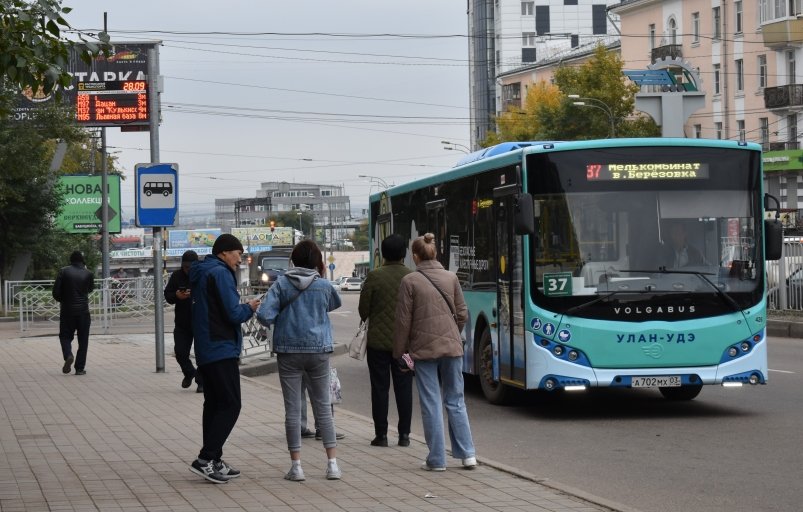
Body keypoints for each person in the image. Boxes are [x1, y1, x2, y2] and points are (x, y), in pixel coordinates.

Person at [256, 240, 342, 481]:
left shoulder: (282, 284)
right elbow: (335, 303)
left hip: (289, 350)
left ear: (292, 260)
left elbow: (264, 315)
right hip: (319, 351)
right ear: (317, 262)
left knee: (292, 409)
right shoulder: (324, 285)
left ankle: (297, 467)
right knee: (323, 407)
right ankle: (332, 464)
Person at [393, 233, 477, 471]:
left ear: (415, 255)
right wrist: (452, 333)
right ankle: (468, 454)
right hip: (452, 348)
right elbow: (462, 313)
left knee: (431, 402)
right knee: (456, 400)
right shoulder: (451, 277)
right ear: (435, 253)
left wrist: (400, 352)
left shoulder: (410, 281)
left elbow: (402, 322)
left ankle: (437, 459)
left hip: (423, 350)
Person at [188, 234, 260, 484]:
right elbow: (232, 313)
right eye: (238, 253)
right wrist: (250, 307)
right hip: (220, 346)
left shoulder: (203, 271)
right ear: (225, 253)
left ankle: (214, 458)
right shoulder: (219, 273)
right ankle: (205, 458)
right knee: (231, 404)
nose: (240, 259)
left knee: (215, 404)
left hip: (208, 346)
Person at [358, 233, 414, 448]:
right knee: (404, 388)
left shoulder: (374, 276)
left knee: (380, 388)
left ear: (382, 253)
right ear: (404, 253)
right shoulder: (411, 277)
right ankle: (405, 436)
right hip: (406, 345)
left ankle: (381, 435)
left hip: (377, 344)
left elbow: (364, 310)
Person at [164, 250, 202, 392]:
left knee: (202, 355)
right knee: (180, 352)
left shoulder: (202, 276)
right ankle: (189, 372)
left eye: (190, 267)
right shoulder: (176, 276)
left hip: (199, 321)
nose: (188, 270)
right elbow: (168, 295)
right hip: (182, 322)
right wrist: (177, 295)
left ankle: (201, 382)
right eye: (185, 267)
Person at [52, 250, 95, 376]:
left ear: (71, 260)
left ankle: (68, 355)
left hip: (67, 311)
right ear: (82, 261)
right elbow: (90, 289)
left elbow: (55, 292)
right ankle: (80, 368)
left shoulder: (63, 271)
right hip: (83, 312)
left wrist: (64, 300)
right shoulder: (89, 273)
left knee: (65, 336)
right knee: (83, 340)